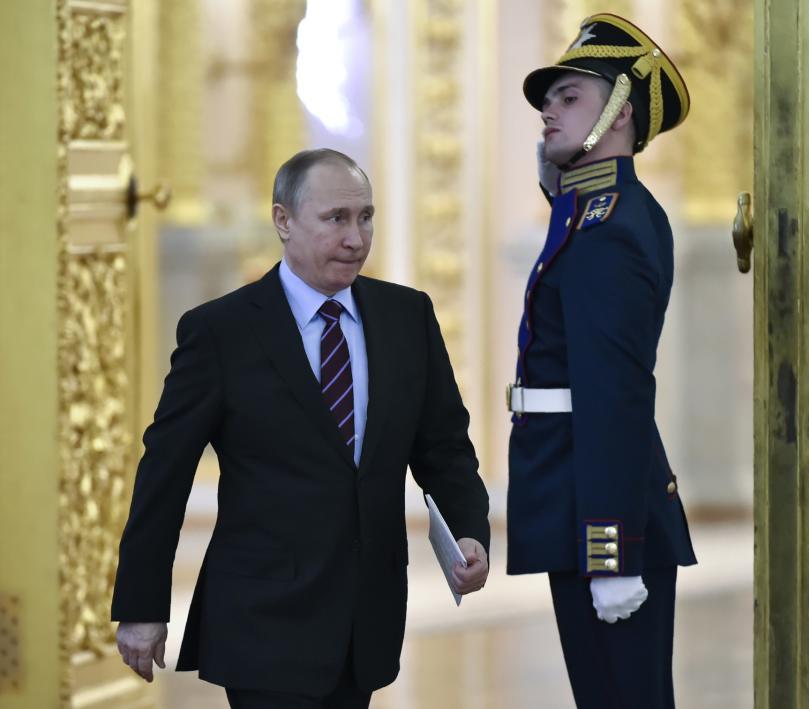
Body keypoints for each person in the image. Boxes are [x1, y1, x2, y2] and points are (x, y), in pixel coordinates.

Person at [111, 149, 491, 709]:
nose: (356, 238)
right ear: (283, 220)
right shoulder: (221, 332)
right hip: (263, 618)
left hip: (368, 618)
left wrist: (468, 529)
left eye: (366, 217)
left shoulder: (407, 317)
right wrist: (143, 606)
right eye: (336, 218)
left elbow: (444, 448)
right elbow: (164, 472)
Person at [505, 14, 697, 709]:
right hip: (577, 499)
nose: (547, 112)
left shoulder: (609, 227)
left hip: (606, 518)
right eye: (546, 100)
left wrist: (610, 551)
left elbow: (615, 395)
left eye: (569, 98)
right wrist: (557, 194)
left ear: (621, 114)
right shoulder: (593, 212)